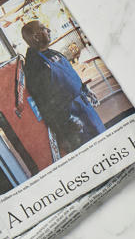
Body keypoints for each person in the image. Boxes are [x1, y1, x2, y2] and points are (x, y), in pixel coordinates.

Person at [21, 20, 105, 154]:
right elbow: (44, 101)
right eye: (43, 28)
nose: (48, 30)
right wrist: (67, 120)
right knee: (93, 151)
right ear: (36, 37)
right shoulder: (35, 65)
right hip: (72, 118)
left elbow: (69, 75)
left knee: (104, 140)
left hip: (83, 106)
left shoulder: (52, 53)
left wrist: (85, 89)